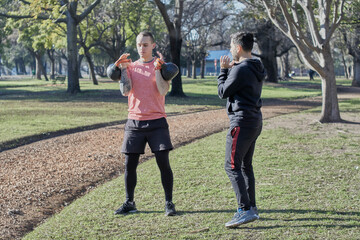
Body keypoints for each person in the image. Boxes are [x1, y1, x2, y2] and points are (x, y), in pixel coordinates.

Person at [114, 31, 176, 216]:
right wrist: (124, 69)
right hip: (134, 122)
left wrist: (158, 70)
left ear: (153, 45)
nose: (142, 48)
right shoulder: (131, 67)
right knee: (129, 164)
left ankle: (169, 203)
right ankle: (129, 202)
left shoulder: (161, 66)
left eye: (146, 45)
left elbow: (163, 90)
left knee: (163, 162)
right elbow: (125, 91)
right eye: (139, 45)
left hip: (157, 121)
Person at [217, 32, 266, 228]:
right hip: (254, 121)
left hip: (241, 123)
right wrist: (231, 69)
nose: (230, 50)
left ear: (238, 48)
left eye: (231, 46)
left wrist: (222, 70)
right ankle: (251, 208)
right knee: (245, 166)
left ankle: (244, 210)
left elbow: (222, 92)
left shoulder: (240, 69)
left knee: (231, 166)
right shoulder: (256, 66)